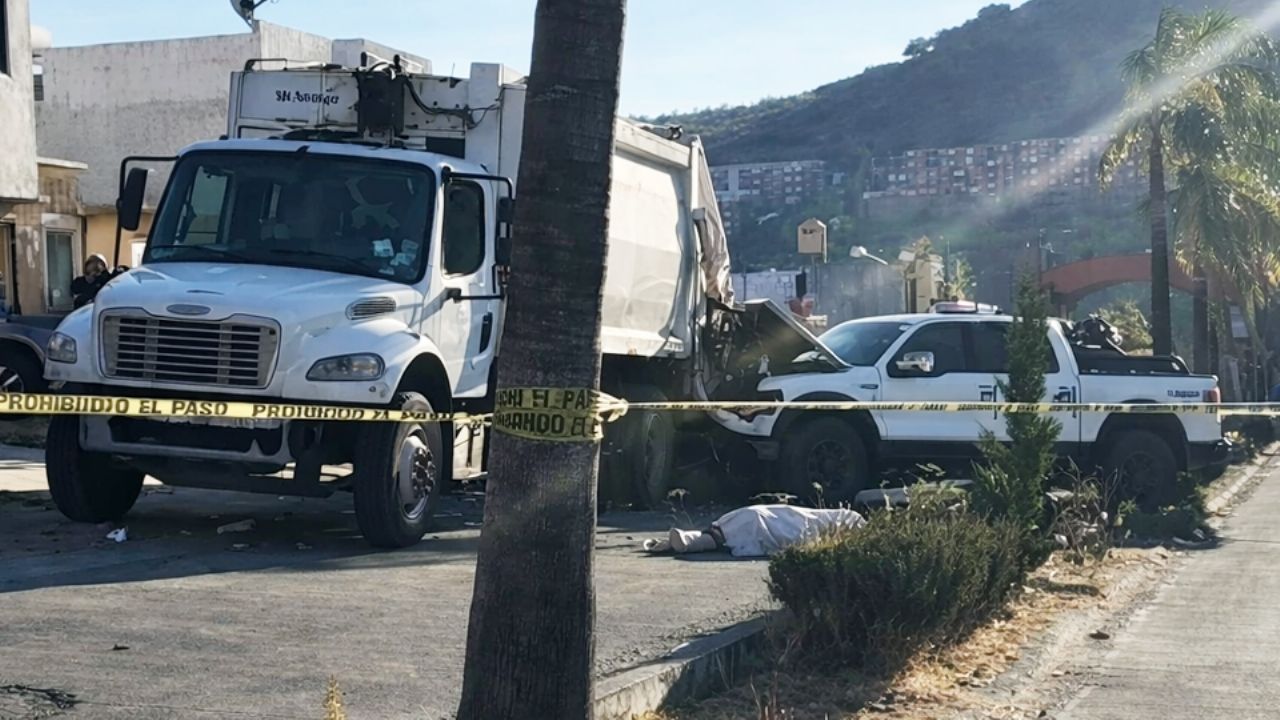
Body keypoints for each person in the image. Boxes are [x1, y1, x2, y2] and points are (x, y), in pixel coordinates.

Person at [644, 504, 866, 558]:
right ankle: (690, 541)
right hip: (768, 519)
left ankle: (689, 541)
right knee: (754, 522)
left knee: (753, 523)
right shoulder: (850, 519)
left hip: (764, 519)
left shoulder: (849, 520)